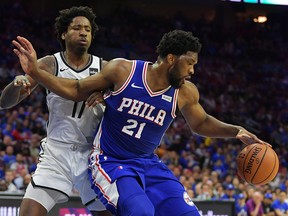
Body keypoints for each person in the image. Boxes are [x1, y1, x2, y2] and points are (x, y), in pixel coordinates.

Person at [12, 29, 269, 216]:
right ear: (171, 58)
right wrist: (36, 72)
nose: (193, 70)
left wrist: (236, 131)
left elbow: (200, 123)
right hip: (111, 162)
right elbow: (77, 87)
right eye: (190, 63)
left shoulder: (185, 91)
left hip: (148, 164)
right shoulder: (123, 71)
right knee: (141, 212)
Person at [0, 6, 111, 216]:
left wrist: (107, 97)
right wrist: (16, 85)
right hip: (56, 152)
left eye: (87, 29)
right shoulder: (50, 63)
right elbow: (5, 103)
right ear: (63, 33)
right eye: (77, 28)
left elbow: (124, 105)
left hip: (92, 154)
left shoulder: (105, 67)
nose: (83, 33)